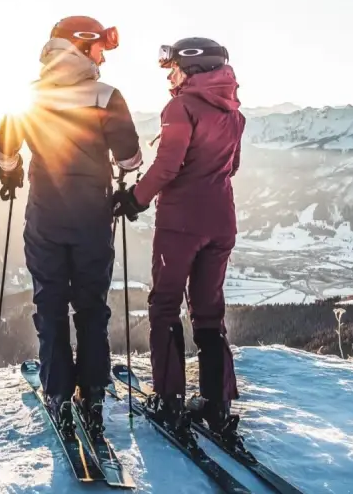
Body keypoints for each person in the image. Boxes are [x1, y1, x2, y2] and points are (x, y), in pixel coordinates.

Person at [0, 16, 142, 442]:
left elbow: (4, 148)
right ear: (81, 46)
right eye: (99, 50)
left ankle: (58, 394)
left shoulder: (31, 97)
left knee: (51, 306)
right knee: (92, 308)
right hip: (93, 220)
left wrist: (11, 172)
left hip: (45, 219)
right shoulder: (106, 96)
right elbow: (130, 157)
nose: (103, 58)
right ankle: (92, 394)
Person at [113, 37, 245, 438]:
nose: (170, 76)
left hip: (180, 225)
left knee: (165, 306)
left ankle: (169, 400)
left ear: (193, 68)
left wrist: (134, 199)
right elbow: (232, 166)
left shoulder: (180, 107)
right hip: (221, 221)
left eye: (174, 69)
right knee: (209, 312)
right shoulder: (234, 114)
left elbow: (167, 167)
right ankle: (217, 405)